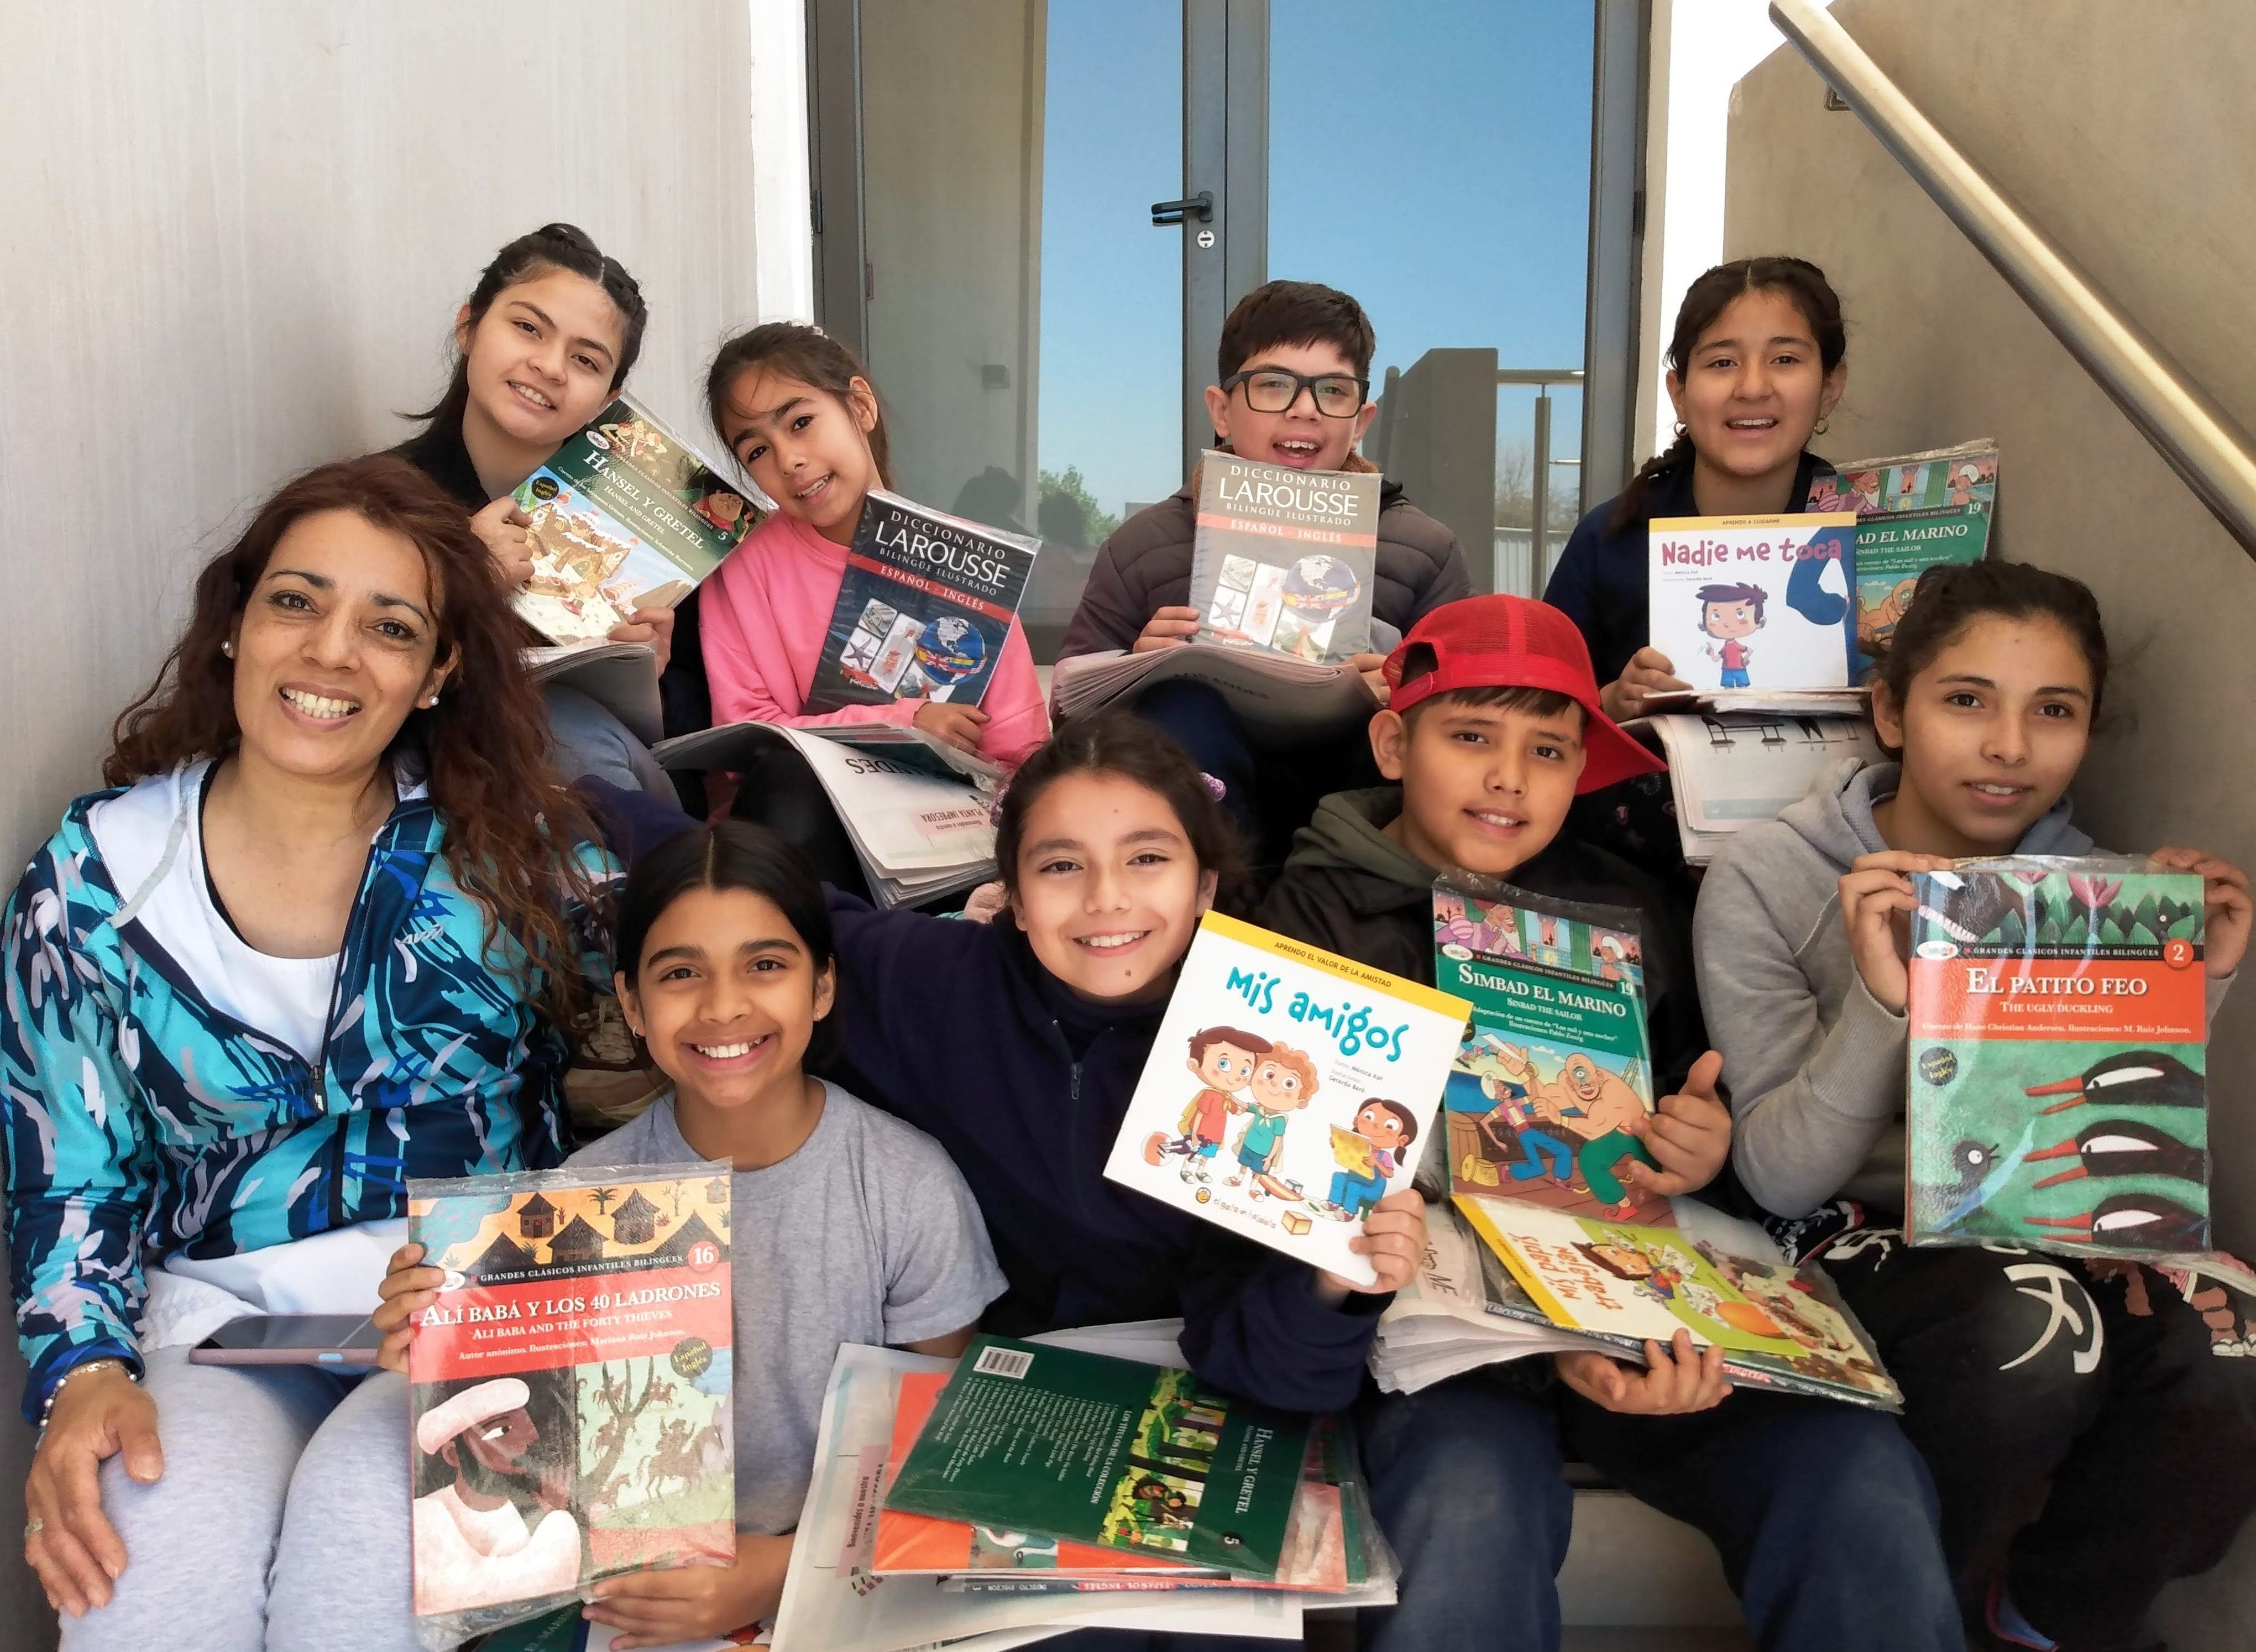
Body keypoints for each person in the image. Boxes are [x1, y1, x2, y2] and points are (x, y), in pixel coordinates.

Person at [1251, 593, 1961, 1652]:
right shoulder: (1298, 918)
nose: (1509, 776)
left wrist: (1697, 1148)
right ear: (1395, 745)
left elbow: (1685, 1114)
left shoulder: (1626, 908)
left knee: (1857, 1472)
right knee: (1471, 1498)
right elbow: (1278, 1190)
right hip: (1435, 1349)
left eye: (1547, 749)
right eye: (1471, 736)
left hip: (1636, 1310)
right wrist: (1549, 1349)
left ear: (1583, 767)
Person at [1, 456, 616, 1649]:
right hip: (222, 1330)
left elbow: (677, 1025)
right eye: (296, 601)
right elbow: (71, 1171)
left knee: (358, 1581)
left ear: (438, 673)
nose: (332, 653)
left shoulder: (517, 854)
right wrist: (82, 1372)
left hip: (464, 1320)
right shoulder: (93, 879)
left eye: (390, 627)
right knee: (144, 1589)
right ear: (236, 622)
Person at [1694, 560, 2256, 1650]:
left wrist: (2204, 977)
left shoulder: (2101, 892)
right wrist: (1882, 1001)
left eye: (2054, 711)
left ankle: (2043, 1622)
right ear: (1889, 712)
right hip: (1853, 1231)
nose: (2009, 746)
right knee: (2029, 1335)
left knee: (2234, 1343)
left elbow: (2119, 1144)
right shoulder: (1772, 875)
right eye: (1966, 700)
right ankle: (1924, 1611)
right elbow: (1781, 1177)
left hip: (2051, 1219)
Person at [376, 822, 1003, 1648]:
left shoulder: (905, 1185)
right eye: (680, 973)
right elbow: (539, 1451)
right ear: (633, 1004)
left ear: (822, 986)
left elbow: (941, 1446)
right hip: (634, 1596)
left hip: (848, 1579)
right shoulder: (572, 1205)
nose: (723, 1005)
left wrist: (780, 1568)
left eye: (765, 965)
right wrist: (436, 1350)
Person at [816, 712, 1424, 1419]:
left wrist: (1331, 1278)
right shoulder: (934, 981)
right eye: (1061, 866)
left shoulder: (1276, 1047)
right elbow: (766, 907)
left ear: (1204, 888)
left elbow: (1283, 1381)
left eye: (1147, 859)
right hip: (984, 1371)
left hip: (1181, 1391)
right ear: (1014, 897)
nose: (1106, 898)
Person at [1056, 280, 1473, 864]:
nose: (1305, 408)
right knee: (1180, 710)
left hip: (1357, 818)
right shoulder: (1142, 546)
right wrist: (1135, 670)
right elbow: (1068, 719)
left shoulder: (1424, 549)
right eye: (1273, 384)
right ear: (1221, 411)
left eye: (1333, 390)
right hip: (1196, 824)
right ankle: (1213, 900)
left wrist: (1401, 688)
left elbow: (1467, 721)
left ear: (1361, 420)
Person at [698, 322, 1050, 892]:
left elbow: (1019, 747)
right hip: (806, 828)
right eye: (757, 450)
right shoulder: (742, 566)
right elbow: (746, 739)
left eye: (801, 422)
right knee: (785, 782)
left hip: (949, 830)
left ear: (860, 406)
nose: (788, 460)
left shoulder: (967, 559)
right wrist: (902, 721)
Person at [390, 221, 685, 797]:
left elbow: (684, 752)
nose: (550, 367)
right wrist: (463, 582)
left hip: (599, 797)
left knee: (567, 728)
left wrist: (647, 676)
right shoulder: (378, 504)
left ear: (608, 400)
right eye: (528, 328)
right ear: (469, 327)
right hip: (424, 793)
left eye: (586, 360)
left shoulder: (648, 529)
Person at [1544, 256, 1849, 725]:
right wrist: (1609, 703)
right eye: (1722, 363)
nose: (1752, 387)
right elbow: (1536, 709)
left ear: (1829, 386)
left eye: (1785, 359)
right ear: (1678, 393)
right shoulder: (1607, 540)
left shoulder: (1871, 535)